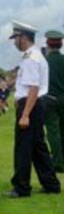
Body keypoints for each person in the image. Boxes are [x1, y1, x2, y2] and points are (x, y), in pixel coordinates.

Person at [2, 21, 61, 198]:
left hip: (31, 105)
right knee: (38, 147)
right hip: (35, 104)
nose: (14, 42)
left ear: (24, 38)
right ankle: (51, 184)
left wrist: (25, 114)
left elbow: (33, 88)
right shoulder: (35, 56)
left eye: (16, 38)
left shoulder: (31, 58)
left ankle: (21, 187)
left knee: (23, 147)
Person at [44, 30, 64, 173]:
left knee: (53, 131)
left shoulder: (45, 61)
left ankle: (57, 162)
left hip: (50, 100)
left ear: (48, 43)